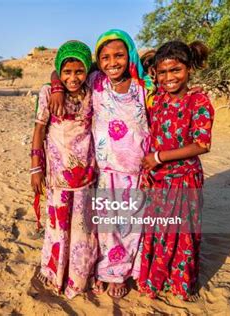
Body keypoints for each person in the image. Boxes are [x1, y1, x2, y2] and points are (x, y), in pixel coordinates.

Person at [49, 29, 155, 299]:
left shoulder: (144, 87)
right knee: (106, 228)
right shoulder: (96, 81)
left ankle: (123, 273)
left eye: (119, 55)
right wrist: (58, 87)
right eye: (105, 57)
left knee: (130, 225)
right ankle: (109, 271)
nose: (112, 62)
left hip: (135, 169)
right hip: (103, 169)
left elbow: (157, 122)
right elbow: (63, 69)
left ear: (129, 54)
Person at [139, 40, 214, 301]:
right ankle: (156, 280)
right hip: (159, 179)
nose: (169, 78)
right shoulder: (156, 98)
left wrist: (159, 157)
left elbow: (202, 144)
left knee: (183, 234)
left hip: (185, 179)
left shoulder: (198, 100)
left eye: (176, 70)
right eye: (163, 72)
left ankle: (182, 284)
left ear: (189, 68)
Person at [30, 40, 98, 299]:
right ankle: (56, 273)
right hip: (58, 176)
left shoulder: (92, 90)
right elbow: (39, 130)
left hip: (87, 176)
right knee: (58, 227)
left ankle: (81, 275)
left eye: (78, 71)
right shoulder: (48, 93)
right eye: (66, 72)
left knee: (83, 229)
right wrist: (35, 169)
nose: (73, 77)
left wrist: (59, 80)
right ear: (60, 70)